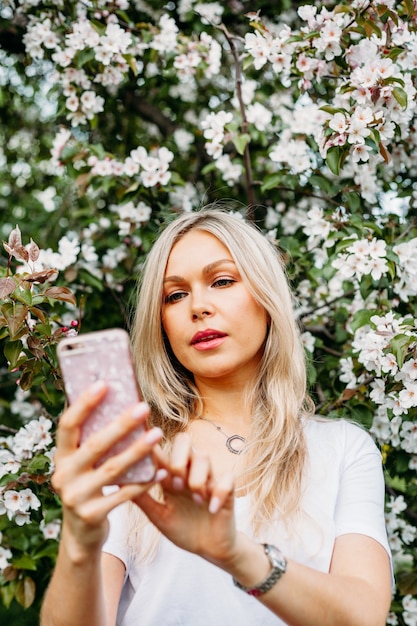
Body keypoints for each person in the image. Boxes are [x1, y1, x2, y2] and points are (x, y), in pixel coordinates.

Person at [40, 206, 392, 626]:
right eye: (175, 295)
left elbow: (364, 616)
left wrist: (234, 553)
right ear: (162, 323)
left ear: (266, 296)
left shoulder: (343, 449)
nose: (198, 307)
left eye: (221, 281)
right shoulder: (134, 452)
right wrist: (79, 541)